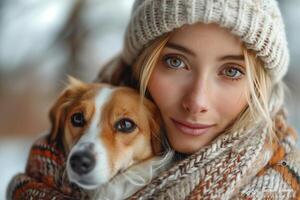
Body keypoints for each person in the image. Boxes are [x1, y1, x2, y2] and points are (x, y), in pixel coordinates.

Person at [7, 0, 300, 199]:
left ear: (259, 87)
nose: (197, 101)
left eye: (232, 70)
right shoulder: (44, 174)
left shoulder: (285, 185)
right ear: (141, 66)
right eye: (175, 62)